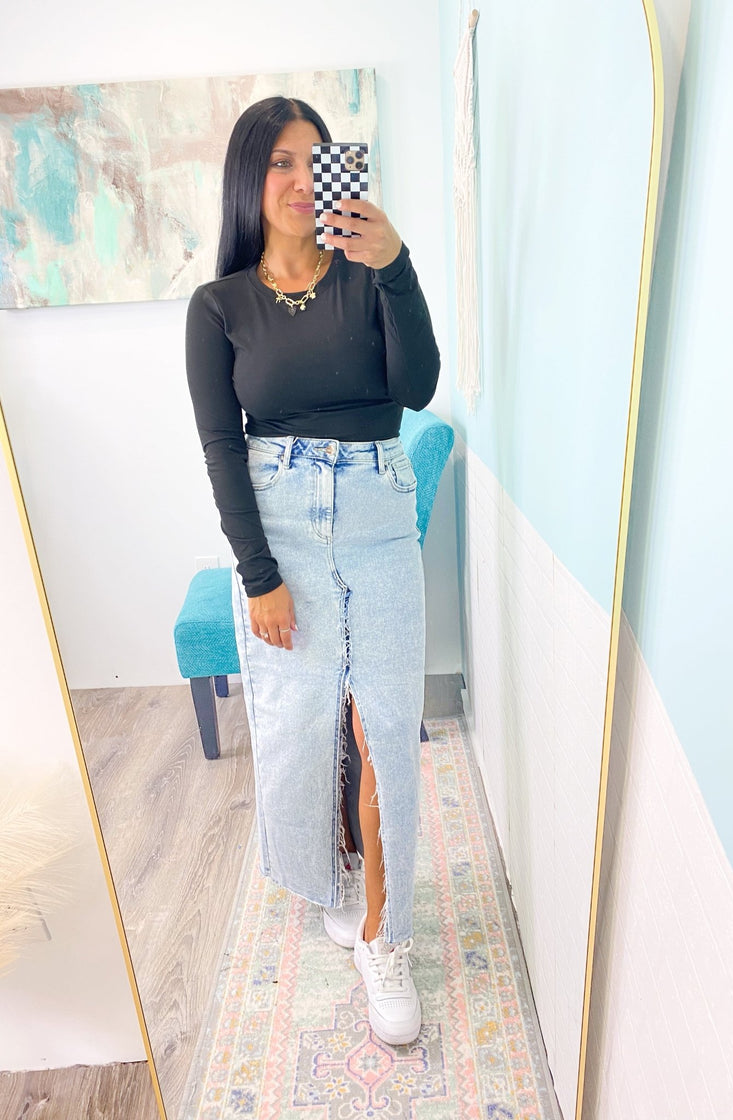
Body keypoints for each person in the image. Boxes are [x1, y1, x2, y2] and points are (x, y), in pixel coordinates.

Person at [185, 96, 440, 1046]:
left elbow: (417, 388)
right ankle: (329, 874)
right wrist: (258, 575)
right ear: (249, 179)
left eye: (315, 160)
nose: (300, 181)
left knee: (385, 730)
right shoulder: (219, 307)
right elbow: (222, 446)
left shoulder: (370, 273)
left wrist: (397, 264)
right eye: (280, 163)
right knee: (298, 726)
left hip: (377, 516)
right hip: (281, 522)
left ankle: (386, 935)